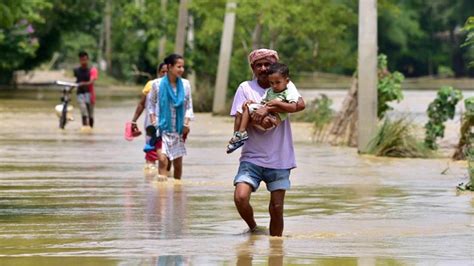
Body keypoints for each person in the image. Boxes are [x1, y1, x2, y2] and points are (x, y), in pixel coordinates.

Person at [230, 48, 305, 237]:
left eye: (267, 64)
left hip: (280, 158)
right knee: (240, 197)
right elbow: (238, 121)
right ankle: (254, 228)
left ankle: (276, 249)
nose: (263, 68)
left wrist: (270, 107)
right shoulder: (245, 88)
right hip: (252, 156)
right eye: (258, 65)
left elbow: (299, 105)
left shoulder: (286, 87)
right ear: (252, 68)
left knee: (277, 208)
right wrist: (251, 116)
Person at [227, 62, 300, 153]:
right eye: (272, 83)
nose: (274, 86)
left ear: (287, 81)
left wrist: (276, 104)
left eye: (277, 82)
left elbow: (294, 107)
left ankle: (240, 134)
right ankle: (240, 134)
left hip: (274, 118)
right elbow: (262, 103)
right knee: (245, 107)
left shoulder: (288, 91)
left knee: (265, 121)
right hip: (265, 114)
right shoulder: (269, 91)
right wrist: (252, 103)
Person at [148, 54, 194, 180]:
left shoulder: (185, 84)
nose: (182, 70)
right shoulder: (157, 84)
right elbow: (151, 103)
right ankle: (161, 195)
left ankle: (177, 192)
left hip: (178, 129)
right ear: (170, 67)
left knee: (178, 165)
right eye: (179, 67)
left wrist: (186, 123)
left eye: (183, 67)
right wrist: (153, 120)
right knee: (162, 160)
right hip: (161, 128)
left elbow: (189, 107)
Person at [131, 63, 168, 170]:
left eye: (167, 71)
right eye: (163, 71)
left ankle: (165, 177)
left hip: (168, 125)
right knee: (151, 151)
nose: (165, 74)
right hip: (151, 124)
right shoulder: (150, 85)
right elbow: (142, 104)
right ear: (158, 73)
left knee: (167, 152)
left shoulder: (175, 86)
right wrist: (134, 121)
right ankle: (150, 180)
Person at [74, 51, 97, 130]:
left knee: (90, 114)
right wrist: (70, 88)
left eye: (85, 59)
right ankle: (84, 128)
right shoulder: (77, 70)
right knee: (83, 110)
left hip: (90, 94)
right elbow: (76, 81)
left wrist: (83, 84)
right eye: (81, 59)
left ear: (87, 59)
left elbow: (92, 81)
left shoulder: (92, 70)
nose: (83, 61)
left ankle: (90, 129)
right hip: (80, 93)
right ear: (79, 60)